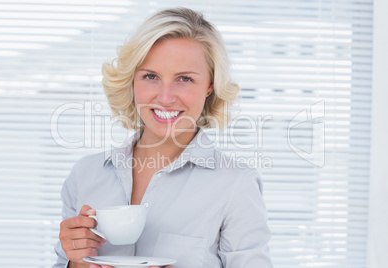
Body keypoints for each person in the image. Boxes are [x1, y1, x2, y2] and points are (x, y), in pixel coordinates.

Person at [53, 7, 273, 268]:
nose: (166, 97)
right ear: (132, 80)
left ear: (210, 85)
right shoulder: (85, 174)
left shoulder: (236, 186)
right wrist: (76, 263)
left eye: (184, 79)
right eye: (150, 76)